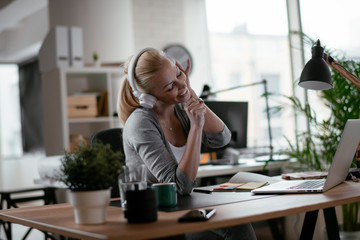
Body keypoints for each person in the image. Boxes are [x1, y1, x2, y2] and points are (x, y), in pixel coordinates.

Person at [117, 47, 257, 240]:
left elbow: (222, 139)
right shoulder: (141, 123)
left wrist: (189, 93)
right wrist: (196, 128)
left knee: (239, 219)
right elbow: (179, 186)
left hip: (183, 206)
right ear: (148, 98)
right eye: (169, 87)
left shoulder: (181, 108)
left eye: (178, 74)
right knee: (237, 227)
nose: (180, 85)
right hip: (156, 214)